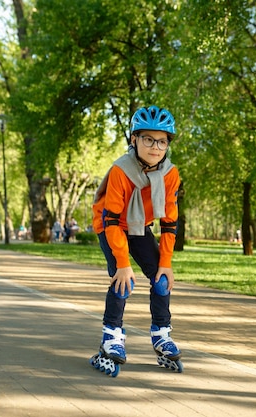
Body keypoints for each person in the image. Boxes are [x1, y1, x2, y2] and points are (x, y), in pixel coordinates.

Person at [91, 105, 181, 370]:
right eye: (148, 139)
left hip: (140, 226)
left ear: (167, 144)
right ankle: (112, 337)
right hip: (111, 225)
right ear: (134, 140)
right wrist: (122, 263)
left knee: (161, 281)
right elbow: (111, 220)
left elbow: (170, 222)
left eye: (162, 141)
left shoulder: (170, 174)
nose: (155, 147)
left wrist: (165, 263)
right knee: (124, 280)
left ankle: (162, 335)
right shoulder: (121, 171)